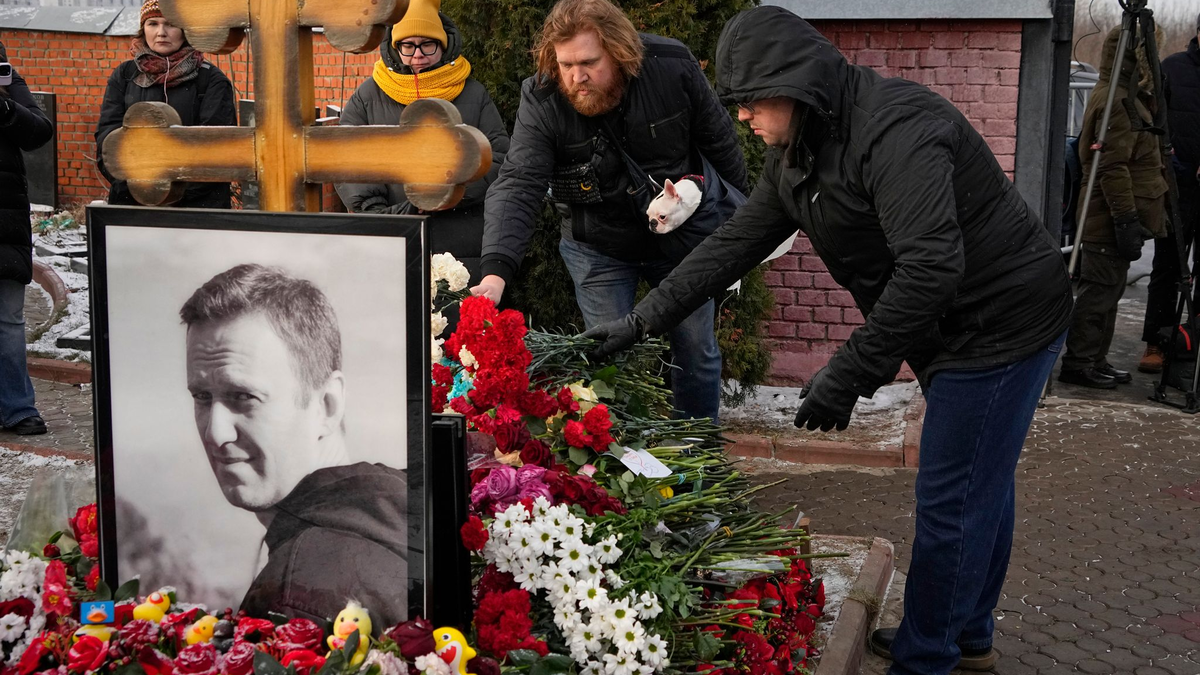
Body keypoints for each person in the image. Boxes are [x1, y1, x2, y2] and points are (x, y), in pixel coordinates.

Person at [582, 8, 1072, 674]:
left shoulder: (896, 131)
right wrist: (643, 320)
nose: (744, 119)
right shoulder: (799, 156)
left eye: (750, 101)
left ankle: (927, 657)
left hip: (1004, 322)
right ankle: (967, 634)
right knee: (977, 478)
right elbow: (730, 246)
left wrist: (848, 372)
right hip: (948, 326)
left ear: (793, 82)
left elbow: (931, 266)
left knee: (953, 493)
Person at [475, 0, 748, 422]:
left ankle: (698, 461)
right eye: (564, 64)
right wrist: (496, 270)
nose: (575, 77)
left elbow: (721, 144)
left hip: (682, 242)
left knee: (696, 352)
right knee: (608, 365)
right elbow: (519, 182)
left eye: (588, 62)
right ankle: (620, 479)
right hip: (597, 247)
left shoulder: (671, 66)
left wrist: (740, 229)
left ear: (619, 51)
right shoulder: (544, 96)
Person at [180, 264, 409, 626]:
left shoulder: (296, 602)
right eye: (202, 397)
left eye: (243, 396)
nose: (215, 433)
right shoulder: (400, 508)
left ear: (327, 404)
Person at [335, 0, 509, 286]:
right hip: (394, 239)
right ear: (395, 47)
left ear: (443, 46)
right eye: (408, 45)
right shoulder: (367, 97)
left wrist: (449, 191)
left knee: (457, 327)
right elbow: (349, 157)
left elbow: (499, 156)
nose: (418, 55)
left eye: (428, 44)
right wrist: (395, 214)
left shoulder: (474, 94)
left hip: (464, 244)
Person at [1061, 25, 1168, 388]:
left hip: (1110, 216)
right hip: (1106, 218)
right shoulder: (1117, 102)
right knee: (1097, 295)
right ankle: (1079, 362)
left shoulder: (1124, 95)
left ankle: (1095, 358)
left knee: (1109, 294)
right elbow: (1110, 166)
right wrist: (1125, 219)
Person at [95, 0, 236, 209]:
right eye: (152, 23)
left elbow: (217, 149)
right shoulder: (125, 76)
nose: (161, 32)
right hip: (133, 203)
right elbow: (108, 137)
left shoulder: (210, 80)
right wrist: (137, 187)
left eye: (170, 24)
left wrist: (174, 194)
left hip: (197, 209)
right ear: (143, 29)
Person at [1140, 14, 1200, 374]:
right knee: (1167, 266)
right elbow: (1155, 124)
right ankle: (1157, 341)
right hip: (1177, 186)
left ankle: (1192, 340)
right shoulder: (1173, 69)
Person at [0, 40, 54, 436]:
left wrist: (4, 107)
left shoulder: (6, 75)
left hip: (5, 219)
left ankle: (18, 408)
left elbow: (38, 131)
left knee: (8, 318)